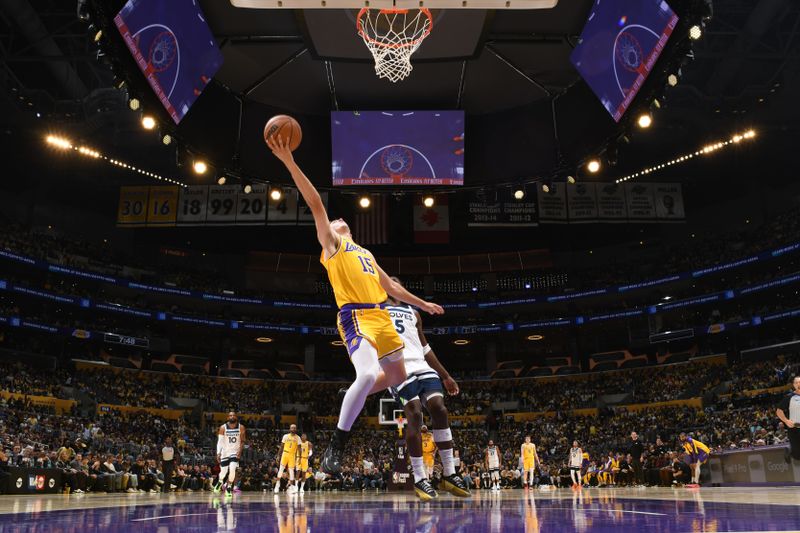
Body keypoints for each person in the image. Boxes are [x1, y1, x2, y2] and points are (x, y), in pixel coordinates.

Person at [267, 135, 444, 475]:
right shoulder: (332, 245)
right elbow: (316, 203)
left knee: (396, 374)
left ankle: (354, 394)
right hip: (355, 316)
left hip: (381, 315)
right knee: (365, 374)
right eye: (333, 221)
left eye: (338, 220)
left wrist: (423, 303)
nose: (337, 220)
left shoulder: (365, 252)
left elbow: (390, 285)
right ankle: (338, 442)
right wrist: (289, 161)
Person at [386, 286, 470, 500]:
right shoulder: (375, 310)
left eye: (396, 283)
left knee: (439, 409)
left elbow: (425, 349)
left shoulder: (414, 313)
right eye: (388, 282)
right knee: (414, 414)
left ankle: (449, 474)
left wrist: (445, 375)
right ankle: (420, 478)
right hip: (398, 369)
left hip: (423, 366)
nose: (392, 285)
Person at [214, 411, 245, 498]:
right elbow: (219, 442)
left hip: (235, 452)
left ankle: (229, 487)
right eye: (230, 415)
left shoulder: (241, 427)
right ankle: (220, 481)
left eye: (233, 415)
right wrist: (218, 453)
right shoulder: (223, 428)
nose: (232, 416)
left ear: (236, 417)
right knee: (223, 472)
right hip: (225, 452)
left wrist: (240, 451)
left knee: (232, 469)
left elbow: (242, 441)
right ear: (228, 418)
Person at [776, 375, 800, 463]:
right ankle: (789, 451)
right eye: (796, 382)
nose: (798, 384)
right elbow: (779, 411)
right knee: (797, 456)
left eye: (799, 382)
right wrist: (786, 421)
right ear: (793, 385)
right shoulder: (790, 397)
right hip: (794, 428)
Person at [274, 424, 301, 493]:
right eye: (292, 428)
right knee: (281, 470)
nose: (293, 429)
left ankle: (291, 487)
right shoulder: (285, 436)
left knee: (291, 471)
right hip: (285, 454)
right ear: (290, 429)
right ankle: (277, 485)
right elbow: (281, 446)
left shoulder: (298, 438)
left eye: (294, 428)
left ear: (296, 429)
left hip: (292, 455)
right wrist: (278, 456)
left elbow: (299, 449)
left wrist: (299, 458)